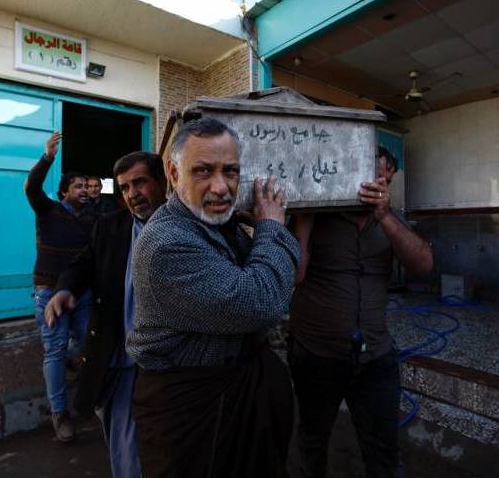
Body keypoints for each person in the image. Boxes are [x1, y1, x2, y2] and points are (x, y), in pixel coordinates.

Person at [126, 117, 300, 477]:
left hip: (239, 392)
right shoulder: (166, 244)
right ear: (173, 174)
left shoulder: (216, 224)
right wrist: (270, 226)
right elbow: (262, 301)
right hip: (192, 410)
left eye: (231, 172)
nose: (221, 187)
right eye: (203, 171)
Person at [288, 146, 433, 478]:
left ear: (389, 178)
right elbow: (294, 275)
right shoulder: (321, 210)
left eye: (380, 177)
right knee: (313, 440)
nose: (371, 183)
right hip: (315, 353)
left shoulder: (390, 218)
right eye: (364, 175)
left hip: (375, 355)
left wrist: (385, 216)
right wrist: (305, 212)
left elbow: (422, 264)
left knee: (383, 449)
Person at [44, 151, 167, 478]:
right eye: (125, 188)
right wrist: (65, 290)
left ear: (162, 180)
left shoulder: (183, 225)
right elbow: (83, 263)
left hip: (165, 361)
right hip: (118, 358)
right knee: (125, 444)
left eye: (140, 183)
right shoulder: (111, 226)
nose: (132, 194)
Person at [24, 131, 97, 443]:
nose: (83, 190)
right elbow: (31, 187)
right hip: (49, 292)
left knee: (86, 344)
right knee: (53, 350)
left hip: (82, 294)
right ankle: (60, 414)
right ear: (64, 191)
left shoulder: (94, 219)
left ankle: (88, 389)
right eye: (77, 186)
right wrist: (47, 158)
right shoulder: (48, 210)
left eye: (86, 186)